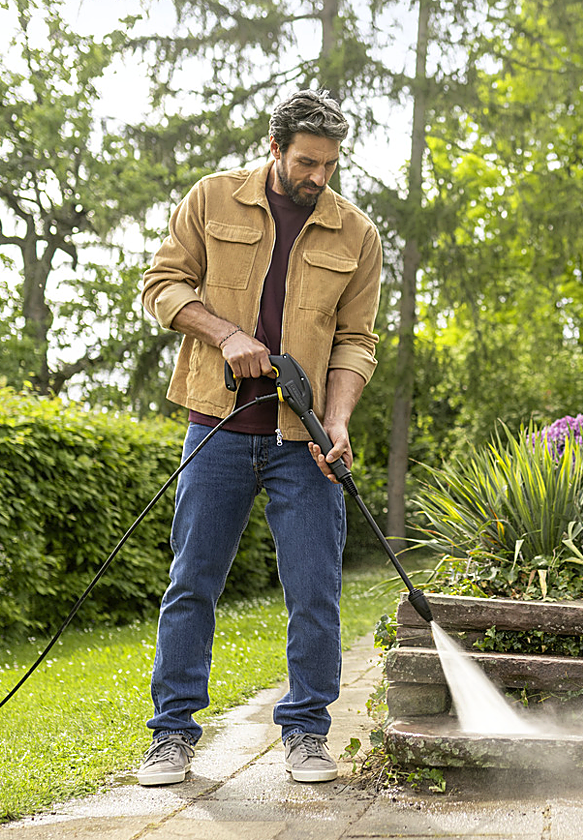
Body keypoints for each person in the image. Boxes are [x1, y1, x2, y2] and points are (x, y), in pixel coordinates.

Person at [136, 89, 382, 786]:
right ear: (273, 149)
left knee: (314, 591)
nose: (319, 178)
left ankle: (307, 733)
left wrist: (335, 419)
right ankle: (172, 735)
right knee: (193, 583)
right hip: (215, 428)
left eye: (331, 165)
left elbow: (357, 340)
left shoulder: (356, 234)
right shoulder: (212, 200)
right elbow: (161, 286)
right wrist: (227, 334)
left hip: (301, 441)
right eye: (307, 162)